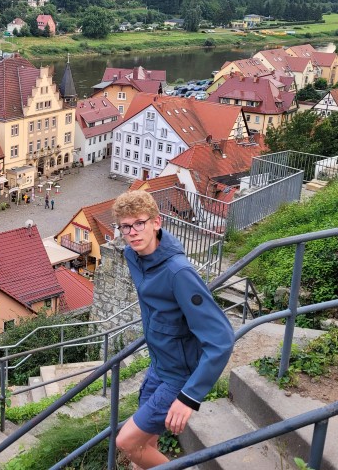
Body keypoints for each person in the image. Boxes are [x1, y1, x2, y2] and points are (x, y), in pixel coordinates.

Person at [112, 191, 233, 469]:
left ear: (157, 223)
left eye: (139, 223)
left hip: (180, 375)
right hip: (159, 366)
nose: (132, 232)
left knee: (127, 442)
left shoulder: (179, 273)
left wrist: (189, 397)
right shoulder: (133, 255)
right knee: (146, 442)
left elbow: (221, 338)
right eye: (126, 226)